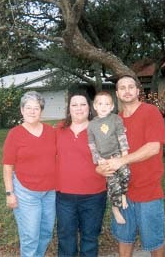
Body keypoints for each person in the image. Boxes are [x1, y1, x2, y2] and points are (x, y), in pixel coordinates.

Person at [97, 75, 165, 257]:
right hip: (122, 193)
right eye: (122, 87)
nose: (127, 90)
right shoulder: (114, 121)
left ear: (138, 91)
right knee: (124, 240)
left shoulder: (151, 112)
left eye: (131, 87)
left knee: (155, 243)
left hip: (148, 191)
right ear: (117, 93)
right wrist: (103, 166)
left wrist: (122, 160)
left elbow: (153, 147)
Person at [2, 91, 56, 257]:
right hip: (26, 193)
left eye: (36, 108)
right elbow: (7, 166)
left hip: (49, 192)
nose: (32, 111)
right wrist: (10, 193)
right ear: (22, 110)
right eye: (28, 108)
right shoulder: (15, 134)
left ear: (41, 111)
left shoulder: (51, 131)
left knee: (46, 232)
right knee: (30, 236)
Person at [55, 89, 107, 257]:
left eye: (83, 104)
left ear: (89, 107)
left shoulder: (100, 129)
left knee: (90, 239)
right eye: (74, 104)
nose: (79, 108)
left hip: (94, 196)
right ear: (68, 108)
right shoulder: (59, 129)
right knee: (65, 239)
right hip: (64, 196)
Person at [87, 91, 130, 225]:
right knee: (113, 183)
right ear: (95, 106)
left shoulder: (116, 119)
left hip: (117, 154)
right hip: (104, 159)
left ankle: (123, 194)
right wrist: (97, 158)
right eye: (100, 103)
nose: (103, 106)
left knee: (126, 173)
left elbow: (121, 135)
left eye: (107, 104)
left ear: (112, 107)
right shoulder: (91, 125)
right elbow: (91, 144)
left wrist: (124, 152)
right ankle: (115, 208)